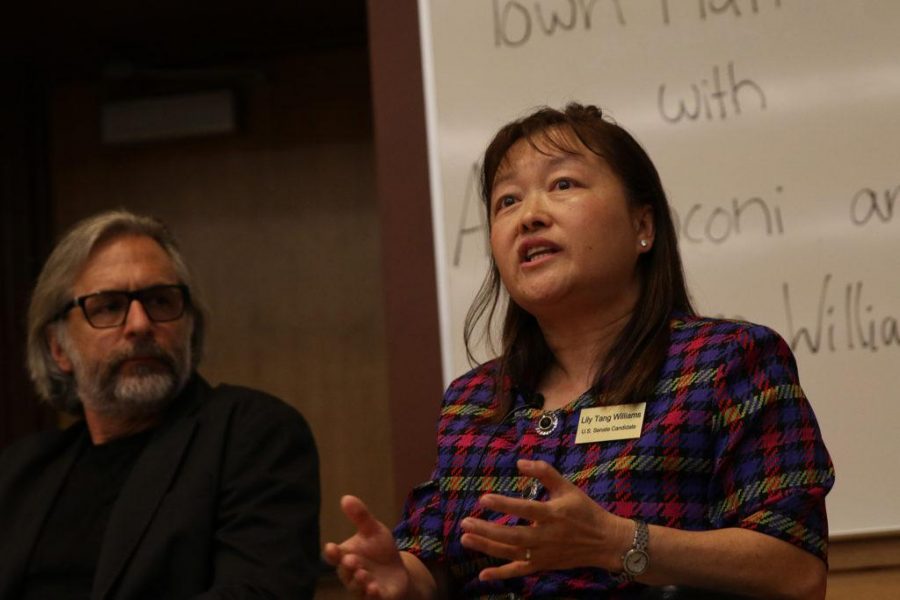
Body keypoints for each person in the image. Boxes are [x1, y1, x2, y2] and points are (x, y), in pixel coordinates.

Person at [324, 104, 834, 599]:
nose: (529, 216)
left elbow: (795, 571)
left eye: (562, 185)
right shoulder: (474, 402)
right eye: (507, 201)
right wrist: (400, 577)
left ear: (643, 227)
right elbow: (436, 562)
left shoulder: (727, 362)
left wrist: (617, 543)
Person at [0, 210, 321, 599]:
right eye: (109, 306)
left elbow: (259, 592)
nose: (140, 324)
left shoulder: (251, 433)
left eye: (159, 301)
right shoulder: (20, 473)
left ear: (190, 325)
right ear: (58, 348)